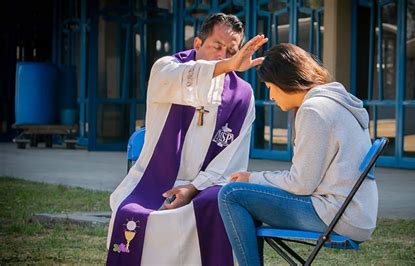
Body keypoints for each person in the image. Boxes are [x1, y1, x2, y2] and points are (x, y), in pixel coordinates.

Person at [106, 13, 267, 265]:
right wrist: (228, 64)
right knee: (132, 214)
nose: (225, 56)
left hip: (203, 185)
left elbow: (231, 160)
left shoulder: (243, 96)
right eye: (218, 46)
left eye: (232, 51)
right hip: (152, 181)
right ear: (197, 44)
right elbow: (188, 79)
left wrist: (192, 188)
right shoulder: (166, 68)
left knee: (215, 207)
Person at [218, 43, 378, 265]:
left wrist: (252, 177)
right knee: (244, 195)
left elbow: (301, 183)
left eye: (270, 87)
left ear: (286, 80)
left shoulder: (314, 111)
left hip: (338, 216)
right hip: (355, 214)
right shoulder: (335, 102)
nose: (271, 96)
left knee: (231, 194)